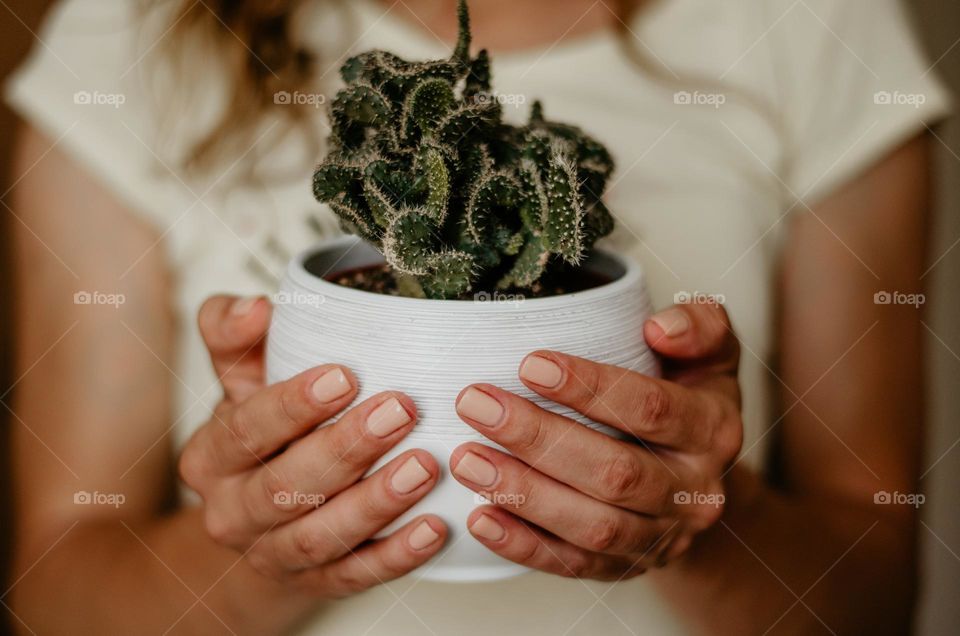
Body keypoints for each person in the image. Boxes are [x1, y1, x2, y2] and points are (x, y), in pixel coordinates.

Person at [4, 0, 951, 633]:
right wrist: (263, 556)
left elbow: (875, 593)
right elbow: (52, 595)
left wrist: (699, 516)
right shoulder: (132, 29)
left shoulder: (814, 23)